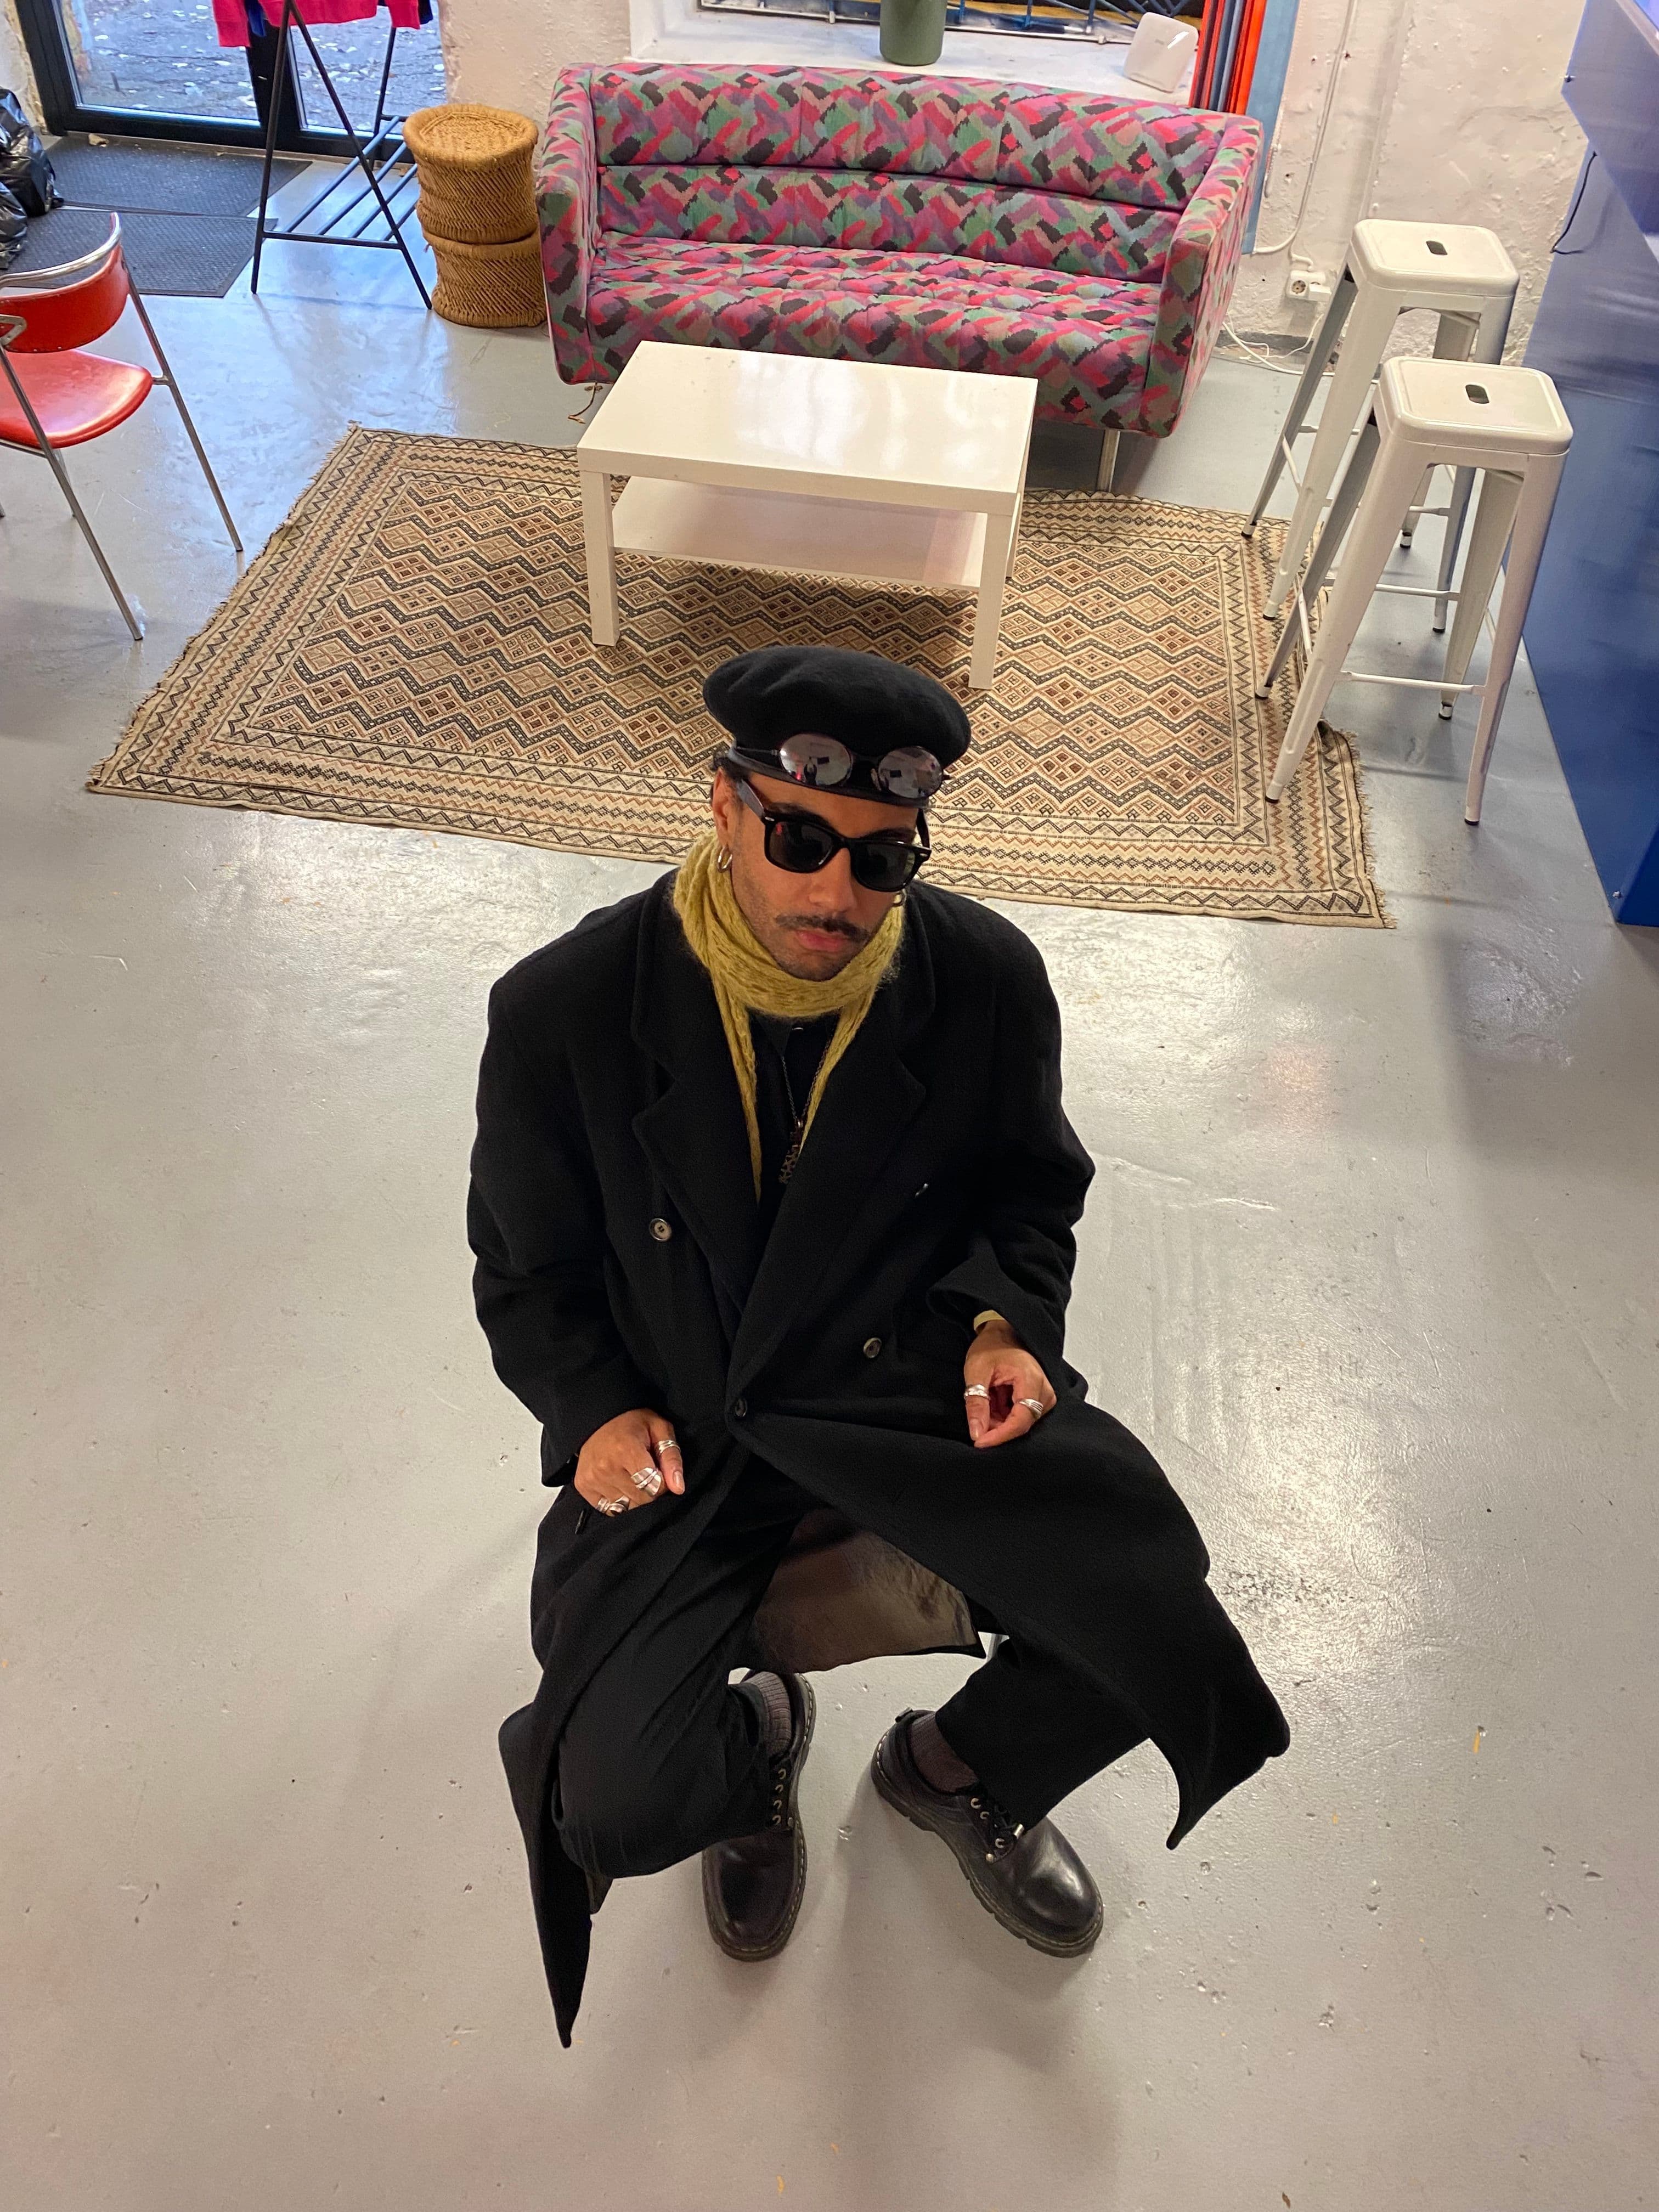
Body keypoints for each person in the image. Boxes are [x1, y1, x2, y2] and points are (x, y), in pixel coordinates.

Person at [469, 644, 1288, 2046]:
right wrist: (593, 1407)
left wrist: (1006, 1325)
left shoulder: (985, 982)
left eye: (881, 861)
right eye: (799, 841)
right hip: (691, 1432)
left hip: (902, 1402)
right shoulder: (567, 1007)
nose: (836, 896)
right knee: (613, 1803)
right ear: (724, 806)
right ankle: (753, 1746)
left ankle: (957, 1770)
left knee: (1150, 1612)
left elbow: (1031, 1193)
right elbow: (526, 1268)